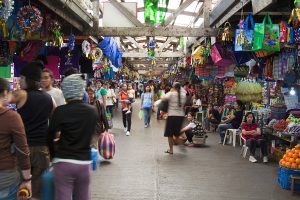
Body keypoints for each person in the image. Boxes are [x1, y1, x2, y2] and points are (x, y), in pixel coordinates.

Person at [48, 74, 98, 200]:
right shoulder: (92, 111)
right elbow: (91, 134)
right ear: (81, 90)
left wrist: (53, 155)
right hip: (84, 163)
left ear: (65, 91)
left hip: (63, 162)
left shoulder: (60, 111)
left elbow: (49, 136)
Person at [10, 62, 55, 199]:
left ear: (28, 80)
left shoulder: (21, 94)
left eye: (21, 78)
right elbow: (55, 117)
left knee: (22, 186)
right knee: (38, 188)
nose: (19, 81)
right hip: (42, 148)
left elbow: (4, 98)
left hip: (23, 148)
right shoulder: (49, 98)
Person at [0, 78, 32, 199]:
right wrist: (27, 179)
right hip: (5, 179)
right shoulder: (11, 117)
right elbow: (22, 151)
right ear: (4, 93)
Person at [161, 82, 186, 154]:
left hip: (172, 115)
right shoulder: (183, 95)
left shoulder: (171, 93)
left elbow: (163, 98)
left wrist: (169, 92)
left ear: (174, 87)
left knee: (170, 134)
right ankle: (180, 143)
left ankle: (171, 150)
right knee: (177, 134)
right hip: (180, 116)